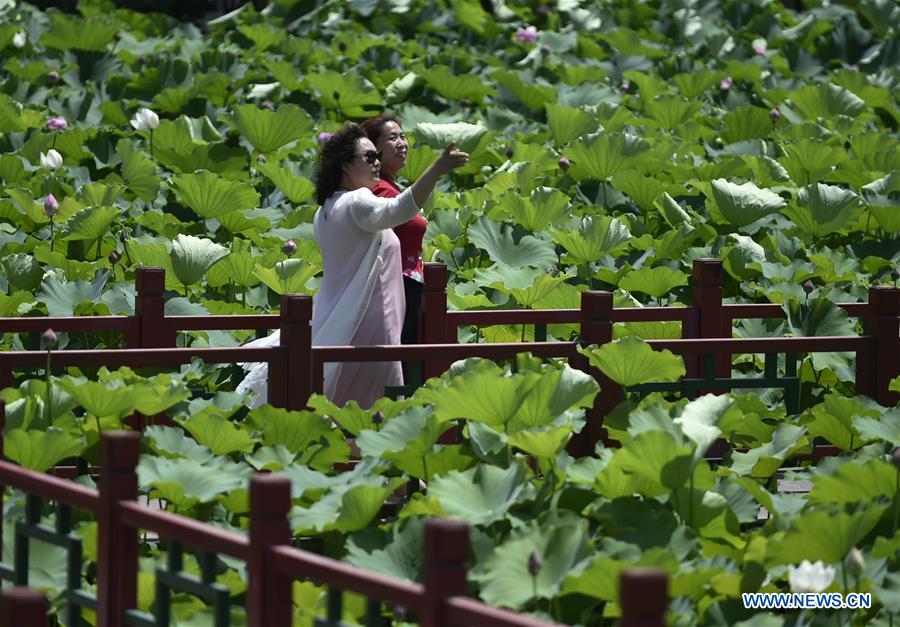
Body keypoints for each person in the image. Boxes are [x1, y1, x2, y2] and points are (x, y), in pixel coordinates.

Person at [237, 124, 468, 409]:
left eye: (377, 157)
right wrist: (435, 170)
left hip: (338, 320)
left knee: (341, 406)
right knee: (375, 411)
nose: (377, 163)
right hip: (372, 322)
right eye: (369, 157)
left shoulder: (326, 209)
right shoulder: (359, 200)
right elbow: (400, 210)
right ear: (346, 165)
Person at [361, 117, 425, 383]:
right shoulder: (379, 191)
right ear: (374, 149)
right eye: (392, 138)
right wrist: (436, 171)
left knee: (403, 358)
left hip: (409, 284)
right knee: (396, 363)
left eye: (403, 136)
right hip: (395, 285)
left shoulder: (391, 186)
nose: (402, 143)